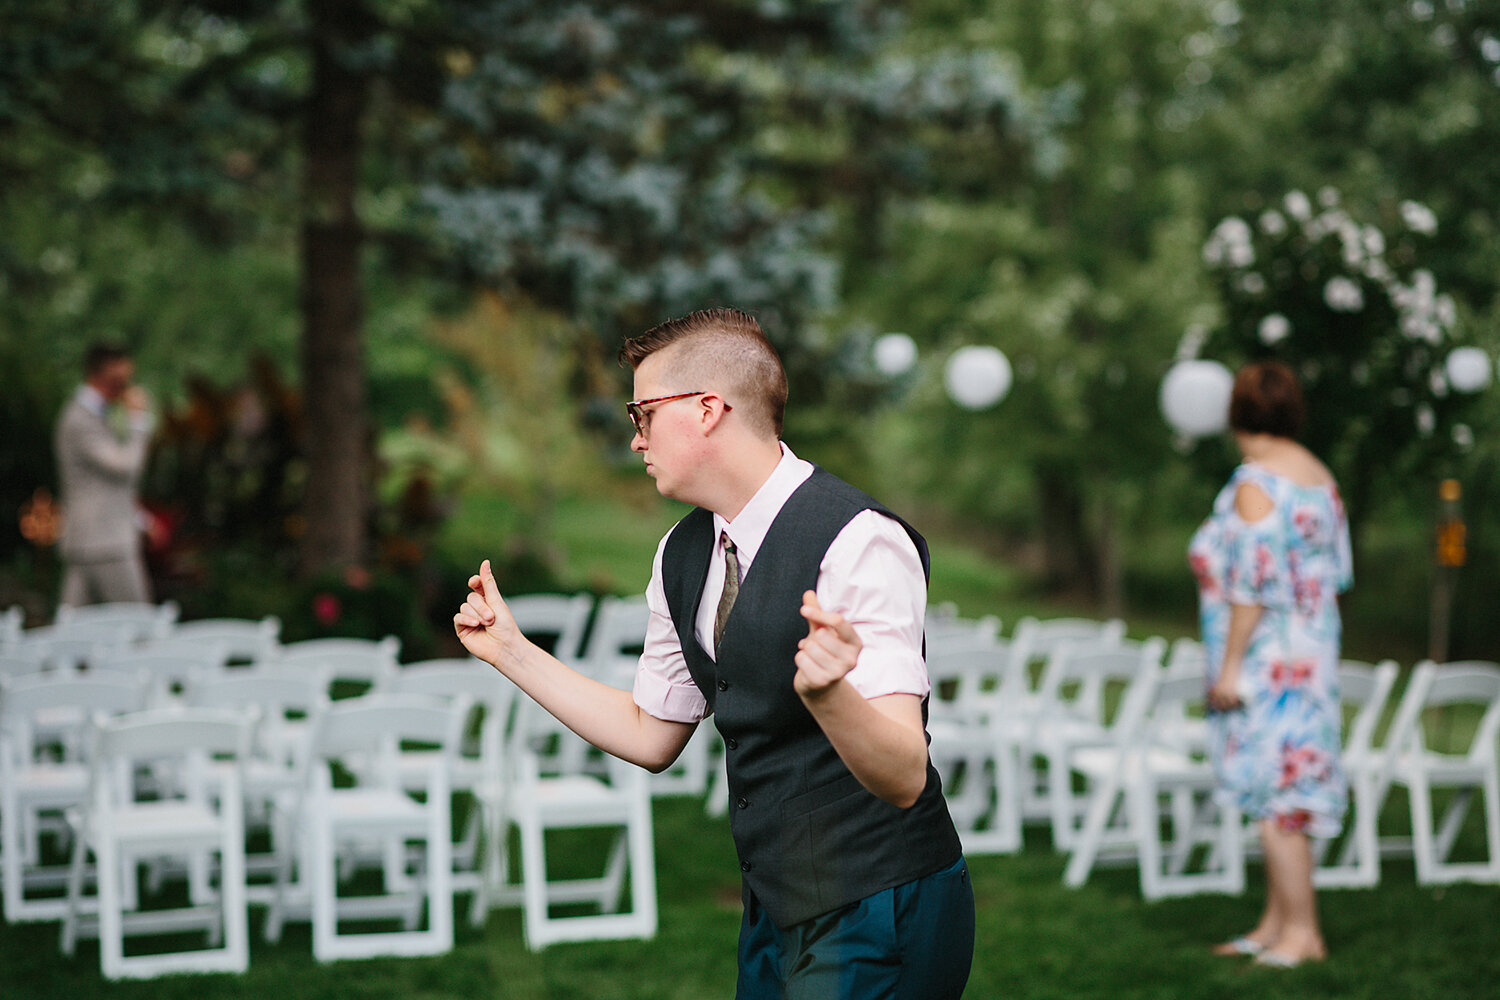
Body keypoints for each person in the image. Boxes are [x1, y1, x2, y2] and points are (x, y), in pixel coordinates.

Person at [455, 308, 973, 999]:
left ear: (706, 410)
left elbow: (905, 773)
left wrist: (830, 696)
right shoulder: (682, 553)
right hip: (775, 906)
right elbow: (650, 732)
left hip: (878, 900)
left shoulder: (858, 541)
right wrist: (511, 653)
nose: (634, 440)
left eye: (642, 415)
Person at [1187, 359, 1351, 968]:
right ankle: (1274, 923)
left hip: (1266, 665)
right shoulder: (1318, 475)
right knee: (1285, 791)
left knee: (1277, 796)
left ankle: (1303, 933)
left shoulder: (1255, 482)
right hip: (1310, 657)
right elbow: (1336, 574)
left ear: (1236, 413)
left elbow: (1252, 585)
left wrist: (1230, 668)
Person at [54, 342, 157, 607]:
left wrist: (139, 519)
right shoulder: (80, 418)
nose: (126, 386)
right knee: (139, 628)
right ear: (101, 373)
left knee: (71, 631)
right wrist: (138, 421)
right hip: (105, 543)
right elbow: (124, 467)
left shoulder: (95, 415)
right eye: (121, 379)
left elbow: (102, 485)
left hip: (93, 540)